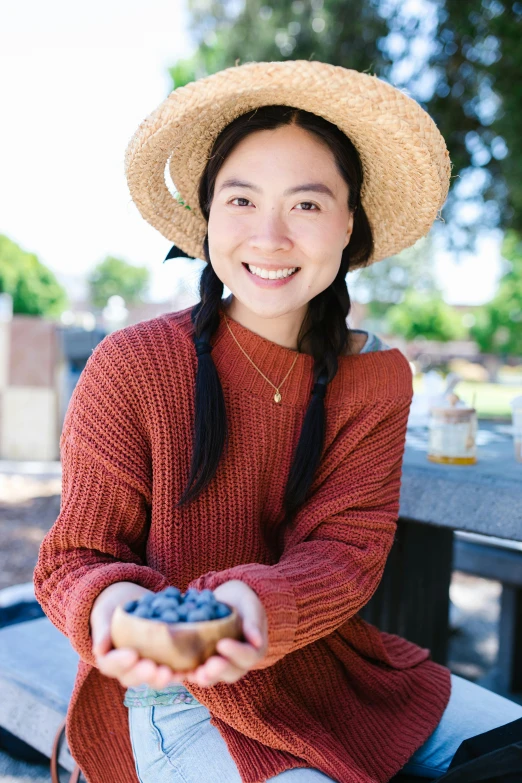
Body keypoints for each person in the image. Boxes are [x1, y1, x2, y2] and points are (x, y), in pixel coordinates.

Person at [34, 60, 522, 783]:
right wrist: (116, 608)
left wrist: (254, 604)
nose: (269, 235)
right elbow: (73, 557)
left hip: (339, 672)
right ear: (207, 217)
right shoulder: (132, 362)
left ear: (349, 223)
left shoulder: (377, 377)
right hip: (173, 699)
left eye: (307, 204)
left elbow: (347, 548)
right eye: (241, 199)